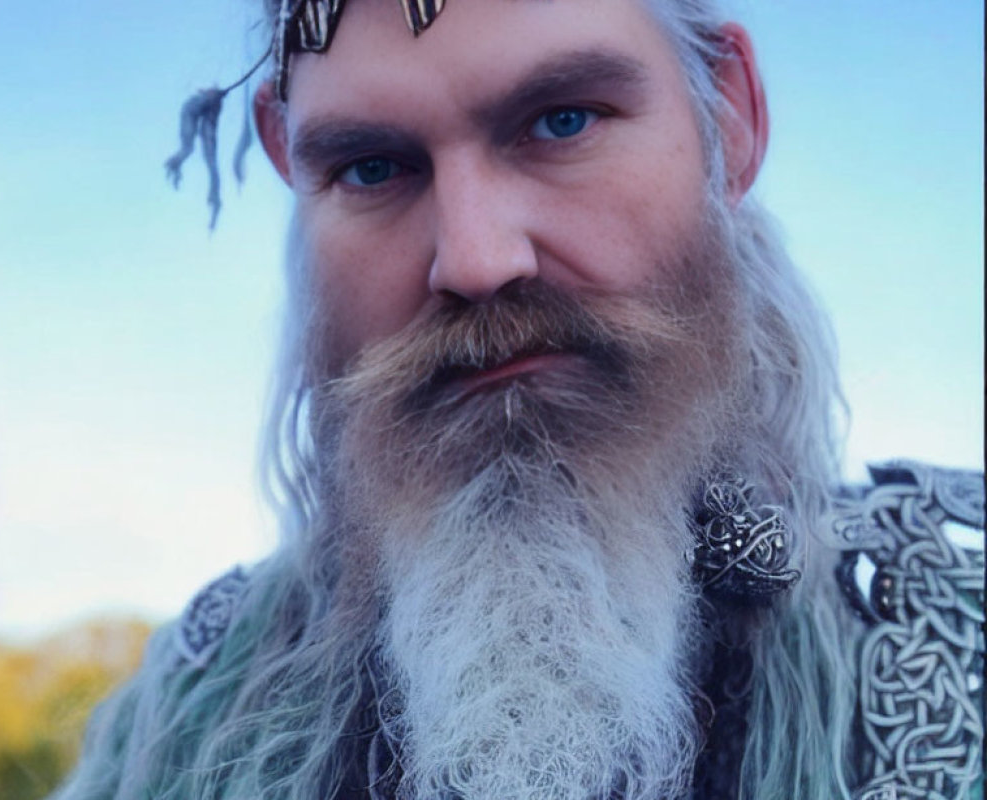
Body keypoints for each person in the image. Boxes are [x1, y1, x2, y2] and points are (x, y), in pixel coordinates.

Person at [53, 1, 984, 798]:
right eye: (372, 168)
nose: (475, 261)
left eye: (563, 120)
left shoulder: (954, 635)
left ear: (728, 122)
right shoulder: (185, 724)